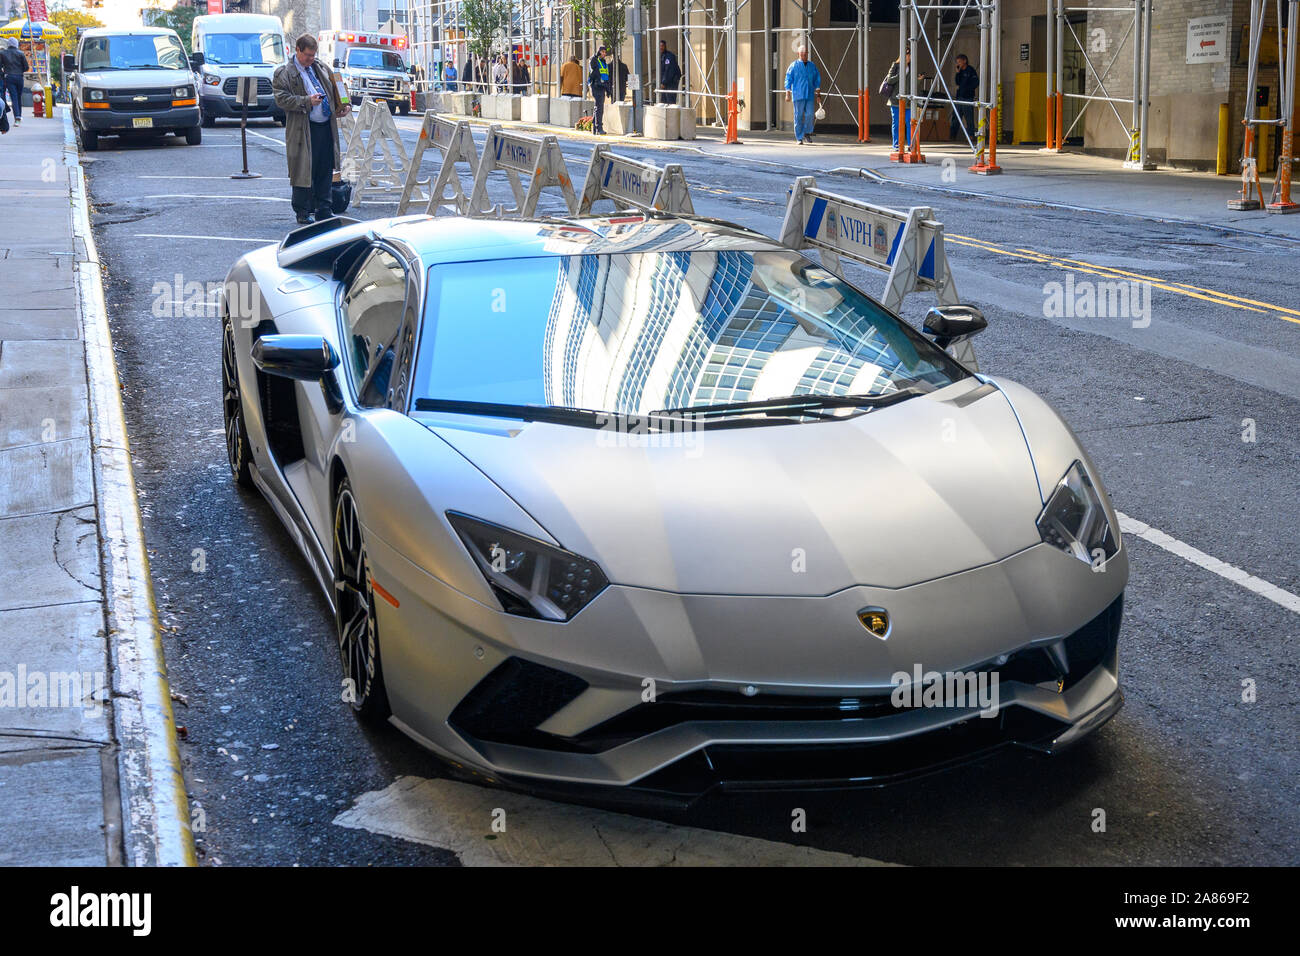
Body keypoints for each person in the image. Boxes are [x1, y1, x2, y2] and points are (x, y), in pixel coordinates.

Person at [272, 35, 350, 225]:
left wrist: (343, 105)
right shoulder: (284, 72)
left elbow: (336, 88)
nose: (310, 59)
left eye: (313, 55)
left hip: (324, 126)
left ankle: (324, 208)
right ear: (297, 50)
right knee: (303, 169)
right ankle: (302, 211)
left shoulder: (320, 67)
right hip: (302, 129)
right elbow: (281, 99)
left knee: (324, 168)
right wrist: (307, 101)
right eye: (307, 55)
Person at [881, 52, 926, 151]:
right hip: (896, 100)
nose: (909, 57)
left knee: (910, 123)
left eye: (910, 55)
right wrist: (900, 75)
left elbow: (912, 84)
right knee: (896, 123)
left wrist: (919, 80)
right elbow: (889, 80)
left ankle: (911, 145)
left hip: (908, 101)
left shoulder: (912, 67)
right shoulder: (895, 66)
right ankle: (896, 144)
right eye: (907, 54)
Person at [783, 45, 821, 145]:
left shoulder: (812, 66)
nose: (804, 56)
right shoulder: (794, 66)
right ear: (798, 54)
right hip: (798, 94)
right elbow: (788, 79)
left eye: (806, 54)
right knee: (798, 115)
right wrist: (787, 93)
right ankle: (799, 137)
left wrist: (818, 95)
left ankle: (807, 132)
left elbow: (817, 79)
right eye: (802, 54)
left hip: (809, 94)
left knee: (810, 114)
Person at [950, 53, 978, 140]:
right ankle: (952, 135)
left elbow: (976, 82)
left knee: (969, 118)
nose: (958, 64)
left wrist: (968, 89)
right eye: (957, 62)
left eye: (959, 62)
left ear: (964, 61)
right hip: (959, 97)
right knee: (956, 117)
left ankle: (971, 135)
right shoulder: (960, 71)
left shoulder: (971, 70)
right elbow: (957, 82)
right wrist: (957, 73)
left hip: (968, 97)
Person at [1, 38, 28, 125]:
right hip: (19, 77)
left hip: (8, 76)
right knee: (18, 97)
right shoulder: (20, 53)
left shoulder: (2, 53)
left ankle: (17, 117)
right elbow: (26, 67)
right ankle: (18, 115)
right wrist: (20, 70)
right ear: (16, 44)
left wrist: (3, 73)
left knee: (14, 97)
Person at [588, 47, 611, 134]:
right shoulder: (594, 60)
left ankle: (595, 128)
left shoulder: (604, 62)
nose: (604, 54)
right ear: (599, 52)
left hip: (602, 86)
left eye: (605, 52)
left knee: (598, 107)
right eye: (603, 52)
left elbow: (606, 75)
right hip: (596, 86)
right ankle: (599, 128)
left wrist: (608, 88)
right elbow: (594, 70)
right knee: (599, 108)